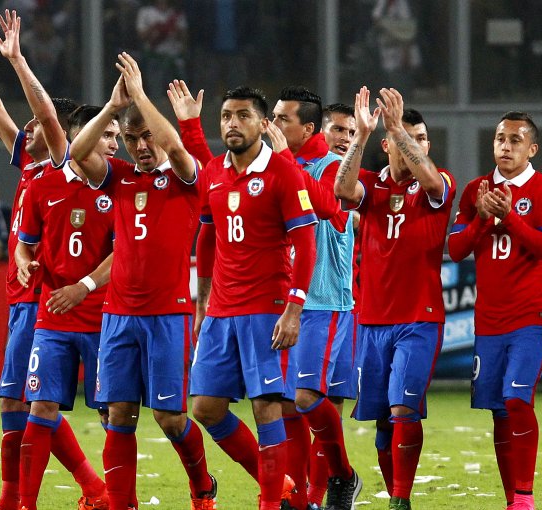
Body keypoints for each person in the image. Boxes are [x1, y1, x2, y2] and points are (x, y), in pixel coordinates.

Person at [0, 6, 98, 510]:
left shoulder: (60, 167)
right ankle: (80, 490)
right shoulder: (30, 168)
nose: (27, 130)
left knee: (26, 402)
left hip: (43, 302)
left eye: (35, 124)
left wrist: (16, 60)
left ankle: (32, 496)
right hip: (21, 299)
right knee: (22, 404)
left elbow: (48, 119)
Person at [70, 53, 216, 510]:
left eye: (144, 137)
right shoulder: (120, 178)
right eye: (131, 140)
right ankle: (121, 504)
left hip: (167, 315)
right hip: (118, 316)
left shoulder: (186, 179)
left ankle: (201, 486)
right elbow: (76, 155)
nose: (139, 147)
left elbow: (176, 147)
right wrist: (113, 109)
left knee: (170, 418)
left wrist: (142, 97)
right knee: (118, 415)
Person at [187, 85, 318, 510]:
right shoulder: (213, 173)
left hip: (268, 309)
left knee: (267, 407)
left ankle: (269, 503)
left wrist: (294, 309)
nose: (232, 123)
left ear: (263, 124)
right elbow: (206, 236)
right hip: (222, 310)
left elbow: (306, 241)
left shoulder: (283, 172)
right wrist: (202, 301)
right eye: (226, 116)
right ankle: (280, 489)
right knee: (205, 408)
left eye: (243, 116)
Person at [333, 87, 456, 510]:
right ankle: (394, 492)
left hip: (419, 319)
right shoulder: (371, 185)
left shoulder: (437, 187)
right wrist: (363, 134)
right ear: (386, 145)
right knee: (384, 419)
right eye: (408, 137)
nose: (417, 144)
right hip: (371, 320)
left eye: (422, 139)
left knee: (404, 409)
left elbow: (430, 179)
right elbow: (342, 189)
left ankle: (399, 500)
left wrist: (397, 130)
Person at [448, 111, 542, 510]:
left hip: (532, 315)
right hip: (489, 319)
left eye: (515, 140)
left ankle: (525, 497)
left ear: (532, 149)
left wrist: (508, 216)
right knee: (498, 409)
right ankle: (512, 498)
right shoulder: (476, 190)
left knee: (516, 399)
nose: (506, 146)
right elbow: (456, 249)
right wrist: (481, 218)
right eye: (500, 138)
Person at [14, 104, 119, 510]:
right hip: (52, 317)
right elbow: (25, 242)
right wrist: (25, 264)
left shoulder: (118, 186)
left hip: (104, 318)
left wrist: (85, 285)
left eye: (114, 136)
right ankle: (26, 504)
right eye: (104, 136)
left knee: (113, 413)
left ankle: (116, 499)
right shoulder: (42, 185)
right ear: (80, 140)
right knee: (40, 405)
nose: (112, 144)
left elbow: (123, 251)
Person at [271, 86, 360, 510]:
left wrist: (284, 160)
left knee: (309, 398)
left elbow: (328, 206)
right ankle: (300, 497)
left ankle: (341, 477)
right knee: (288, 405)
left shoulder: (332, 168)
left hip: (325, 302)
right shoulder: (274, 165)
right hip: (284, 301)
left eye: (282, 119)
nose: (273, 125)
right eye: (272, 116)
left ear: (307, 128)